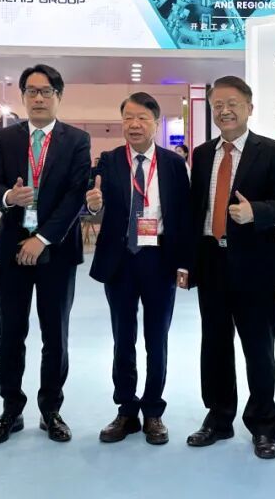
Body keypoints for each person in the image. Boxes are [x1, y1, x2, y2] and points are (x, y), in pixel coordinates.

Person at [185, 76, 275, 460]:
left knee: (258, 348)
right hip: (211, 261)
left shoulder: (272, 151)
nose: (225, 110)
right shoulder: (202, 154)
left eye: (232, 103)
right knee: (214, 346)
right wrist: (187, 263)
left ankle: (263, 425)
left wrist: (256, 212)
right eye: (217, 105)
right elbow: (195, 209)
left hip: (255, 265)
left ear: (249, 107)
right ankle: (218, 418)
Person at [0, 65, 91, 446]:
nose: (39, 98)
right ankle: (10, 409)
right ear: (23, 97)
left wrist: (42, 238)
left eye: (46, 92)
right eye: (31, 91)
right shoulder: (8, 137)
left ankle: (51, 410)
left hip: (56, 251)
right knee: (11, 332)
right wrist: (9, 197)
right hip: (12, 248)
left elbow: (75, 195)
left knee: (54, 334)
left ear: (59, 96)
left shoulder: (77, 140)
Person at [85, 92, 191, 446]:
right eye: (128, 117)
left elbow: (184, 217)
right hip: (120, 260)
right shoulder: (109, 160)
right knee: (123, 337)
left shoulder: (173, 164)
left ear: (156, 124)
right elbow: (91, 203)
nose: (134, 124)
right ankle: (126, 410)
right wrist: (92, 205)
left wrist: (185, 263)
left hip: (159, 259)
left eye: (142, 118)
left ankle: (153, 411)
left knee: (156, 338)